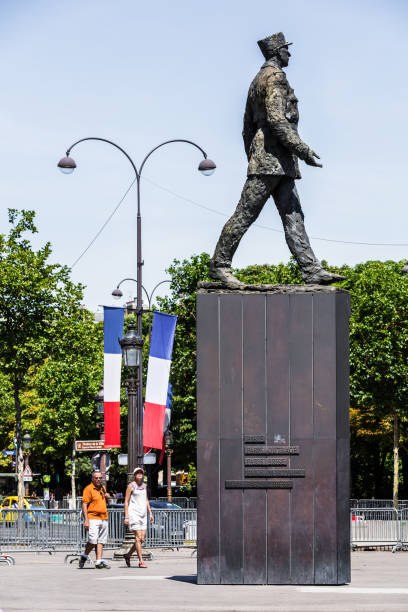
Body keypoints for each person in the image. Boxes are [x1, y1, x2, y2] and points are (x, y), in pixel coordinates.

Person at [209, 32, 345, 288]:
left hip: (274, 160)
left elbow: (247, 128)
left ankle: (311, 269)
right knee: (245, 213)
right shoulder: (275, 77)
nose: (289, 53)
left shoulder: (257, 80)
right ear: (276, 52)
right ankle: (219, 265)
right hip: (271, 159)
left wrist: (253, 154)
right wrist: (302, 149)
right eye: (286, 49)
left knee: (294, 215)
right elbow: (276, 119)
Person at [78, 472, 111, 569]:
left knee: (101, 540)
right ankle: (84, 556)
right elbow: (84, 504)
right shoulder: (88, 489)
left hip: (104, 517)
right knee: (93, 540)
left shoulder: (103, 488)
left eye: (100, 478)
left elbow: (104, 501)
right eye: (96, 478)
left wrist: (108, 498)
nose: (98, 480)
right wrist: (86, 520)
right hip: (93, 517)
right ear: (92, 479)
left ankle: (98, 561)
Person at [123, 467, 154, 568]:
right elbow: (126, 502)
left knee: (142, 539)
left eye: (141, 472)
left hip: (143, 514)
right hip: (134, 513)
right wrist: (126, 516)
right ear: (134, 475)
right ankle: (141, 561)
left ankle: (128, 555)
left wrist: (150, 513)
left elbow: (146, 500)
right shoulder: (131, 486)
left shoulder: (145, 486)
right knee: (138, 537)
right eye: (137, 473)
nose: (139, 474)